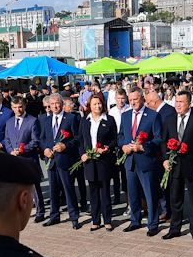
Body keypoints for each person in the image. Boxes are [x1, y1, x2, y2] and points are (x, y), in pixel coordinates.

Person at [162, 89, 193, 243]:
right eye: (176, 101)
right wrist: (165, 159)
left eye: (181, 102)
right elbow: (164, 142)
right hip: (175, 166)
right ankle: (174, 228)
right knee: (175, 198)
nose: (178, 105)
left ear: (189, 103)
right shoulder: (169, 119)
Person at [119, 87, 163, 235]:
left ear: (142, 98)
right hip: (130, 161)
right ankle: (135, 221)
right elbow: (120, 136)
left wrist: (143, 147)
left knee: (150, 194)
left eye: (135, 99)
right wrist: (123, 146)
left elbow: (158, 138)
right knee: (133, 194)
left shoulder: (153, 115)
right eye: (130, 100)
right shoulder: (125, 115)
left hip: (146, 161)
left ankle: (153, 224)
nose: (132, 102)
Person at [39, 93, 82, 228]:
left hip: (65, 159)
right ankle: (54, 216)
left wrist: (65, 146)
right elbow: (42, 139)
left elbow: (77, 138)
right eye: (52, 104)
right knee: (53, 190)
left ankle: (74, 217)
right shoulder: (45, 120)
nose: (55, 106)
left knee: (68, 189)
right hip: (51, 160)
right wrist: (45, 149)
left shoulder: (71, 118)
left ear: (62, 104)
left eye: (57, 103)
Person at [77, 93, 117, 231]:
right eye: (94, 104)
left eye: (99, 103)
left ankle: (107, 220)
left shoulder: (109, 120)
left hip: (104, 160)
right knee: (93, 192)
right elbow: (80, 140)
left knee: (105, 191)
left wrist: (107, 148)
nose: (97, 106)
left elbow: (114, 140)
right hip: (89, 161)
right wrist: (82, 154)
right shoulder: (84, 120)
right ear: (90, 106)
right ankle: (95, 220)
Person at [3, 95, 45, 221]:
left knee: (34, 187)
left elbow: (35, 141)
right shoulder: (9, 122)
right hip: (15, 159)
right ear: (12, 107)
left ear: (25, 106)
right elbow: (7, 139)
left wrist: (23, 149)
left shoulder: (32, 120)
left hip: (29, 159)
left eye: (20, 107)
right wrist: (11, 151)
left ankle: (40, 212)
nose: (18, 110)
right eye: (15, 107)